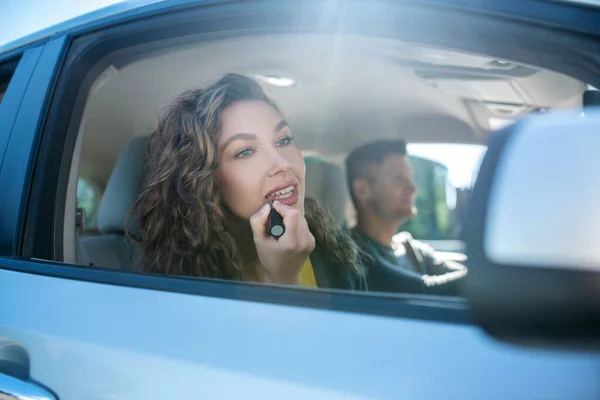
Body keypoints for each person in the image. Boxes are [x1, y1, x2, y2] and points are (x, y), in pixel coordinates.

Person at [127, 73, 366, 290]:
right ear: (206, 180)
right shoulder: (180, 284)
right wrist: (282, 280)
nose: (282, 163)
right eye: (245, 152)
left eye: (283, 140)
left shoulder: (333, 251)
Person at [345, 139, 467, 296]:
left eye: (410, 178)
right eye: (399, 179)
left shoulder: (411, 250)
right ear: (363, 190)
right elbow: (428, 291)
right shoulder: (352, 254)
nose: (413, 189)